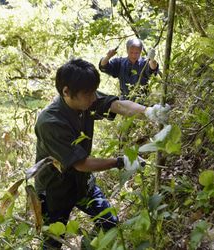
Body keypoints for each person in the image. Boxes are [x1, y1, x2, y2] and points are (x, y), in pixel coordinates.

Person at [34, 58, 169, 249]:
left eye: (93, 92)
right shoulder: (50, 122)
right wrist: (121, 161)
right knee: (52, 243)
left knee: (110, 223)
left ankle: (88, 244)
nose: (94, 98)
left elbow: (119, 106)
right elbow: (81, 163)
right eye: (88, 94)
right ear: (66, 92)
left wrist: (149, 112)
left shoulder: (86, 99)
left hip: (82, 184)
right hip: (54, 191)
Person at [99, 37, 159, 102]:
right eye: (131, 52)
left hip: (142, 100)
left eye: (136, 53)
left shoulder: (144, 62)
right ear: (127, 51)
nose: (133, 55)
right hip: (125, 101)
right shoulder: (120, 63)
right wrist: (108, 56)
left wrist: (152, 59)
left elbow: (152, 69)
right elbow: (103, 66)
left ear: (140, 52)